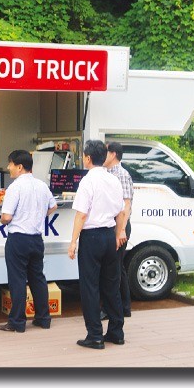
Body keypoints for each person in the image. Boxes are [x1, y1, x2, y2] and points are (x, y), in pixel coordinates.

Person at [68, 140, 125, 350]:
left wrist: (73, 241)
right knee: (111, 286)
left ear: (88, 158)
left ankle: (95, 335)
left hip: (91, 237)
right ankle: (116, 332)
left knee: (90, 287)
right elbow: (121, 212)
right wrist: (118, 234)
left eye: (84, 155)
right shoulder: (114, 181)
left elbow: (81, 214)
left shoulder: (87, 181)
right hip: (110, 236)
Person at [0, 150, 58, 333]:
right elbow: (53, 206)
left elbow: (6, 217)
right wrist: (39, 217)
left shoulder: (15, 188)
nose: (9, 168)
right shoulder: (41, 185)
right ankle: (43, 318)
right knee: (38, 279)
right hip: (36, 239)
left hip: (18, 239)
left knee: (17, 280)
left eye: (10, 164)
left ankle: (17, 322)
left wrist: (3, 220)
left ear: (19, 166)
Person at [100, 141, 134, 320]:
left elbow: (126, 205)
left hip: (119, 225)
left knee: (112, 268)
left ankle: (111, 308)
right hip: (112, 224)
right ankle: (124, 307)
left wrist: (121, 231)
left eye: (104, 152)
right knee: (116, 267)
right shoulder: (106, 173)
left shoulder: (121, 174)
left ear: (112, 154)